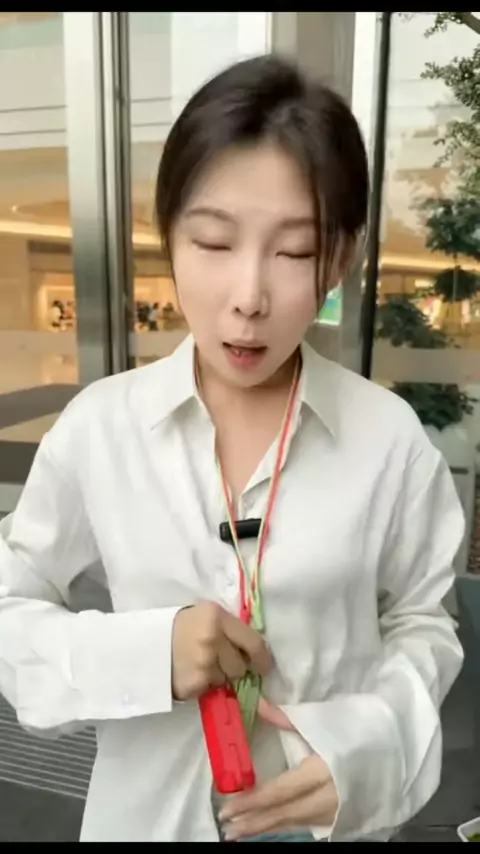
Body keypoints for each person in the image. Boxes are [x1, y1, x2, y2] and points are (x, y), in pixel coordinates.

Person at [0, 55, 464, 843]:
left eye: (294, 253)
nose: (249, 297)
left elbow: (426, 618)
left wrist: (368, 745)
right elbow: (11, 605)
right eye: (214, 242)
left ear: (341, 258)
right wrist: (148, 652)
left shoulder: (388, 439)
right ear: (169, 237)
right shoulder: (100, 429)